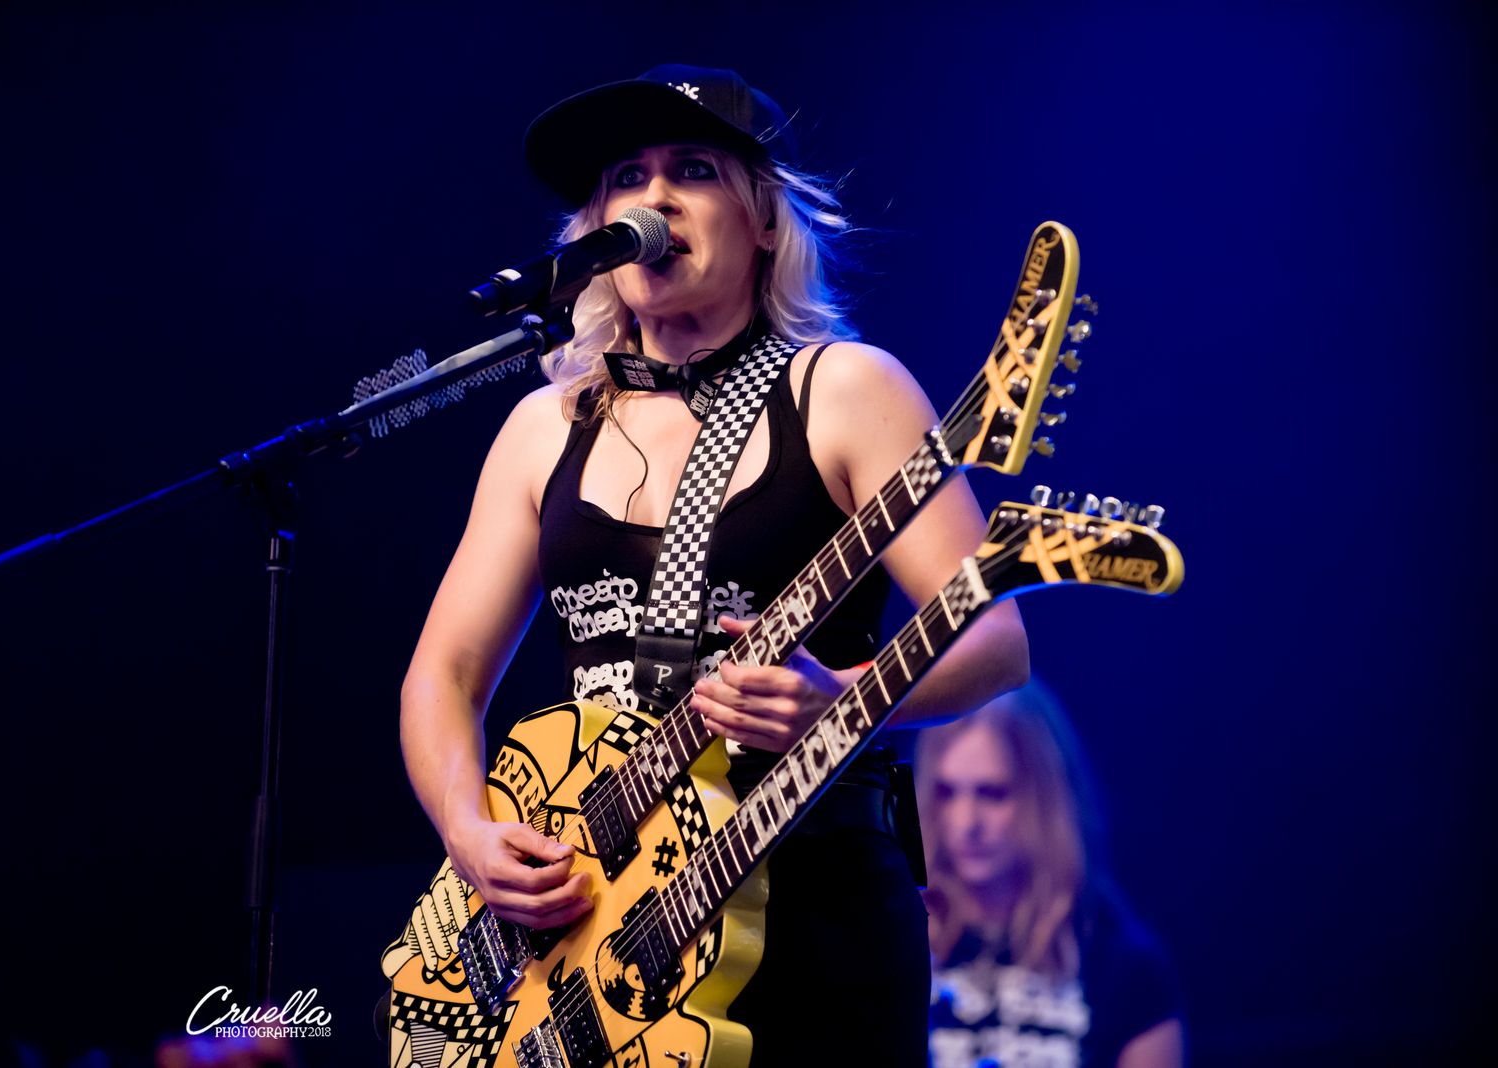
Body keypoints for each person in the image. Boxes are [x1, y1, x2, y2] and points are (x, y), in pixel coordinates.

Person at [398, 64, 1029, 1064]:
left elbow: (995, 641)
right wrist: (469, 836)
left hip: (809, 899)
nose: (653, 198)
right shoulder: (544, 427)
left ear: (767, 221)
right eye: (626, 178)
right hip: (598, 932)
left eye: (693, 170)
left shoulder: (845, 388)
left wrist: (843, 699)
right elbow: (445, 672)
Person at [917, 681, 1185, 1067]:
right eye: (947, 792)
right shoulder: (897, 941)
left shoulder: (1123, 965)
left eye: (992, 793)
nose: (966, 822)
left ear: (1046, 796)